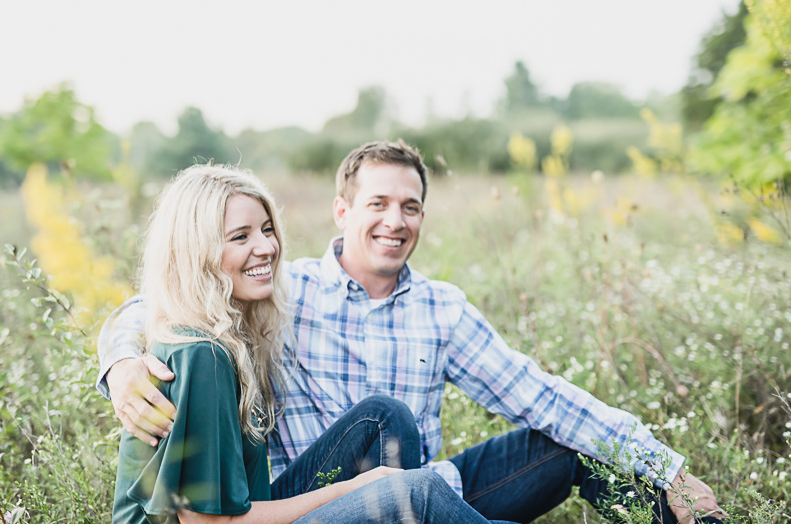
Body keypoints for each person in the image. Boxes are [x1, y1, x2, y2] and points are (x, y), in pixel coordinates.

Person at [101, 141, 726, 524]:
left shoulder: (442, 310)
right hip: (312, 504)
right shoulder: (286, 288)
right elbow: (162, 300)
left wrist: (669, 471)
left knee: (569, 443)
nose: (394, 222)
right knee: (385, 416)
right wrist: (122, 363)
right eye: (377, 203)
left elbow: (543, 396)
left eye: (410, 207)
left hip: (421, 493)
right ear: (344, 212)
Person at [112, 162, 489, 524]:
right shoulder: (201, 354)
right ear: (198, 253)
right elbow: (214, 523)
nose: (266, 248)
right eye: (241, 236)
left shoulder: (228, 335)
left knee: (383, 417)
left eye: (266, 229)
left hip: (250, 509)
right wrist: (354, 489)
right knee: (414, 493)